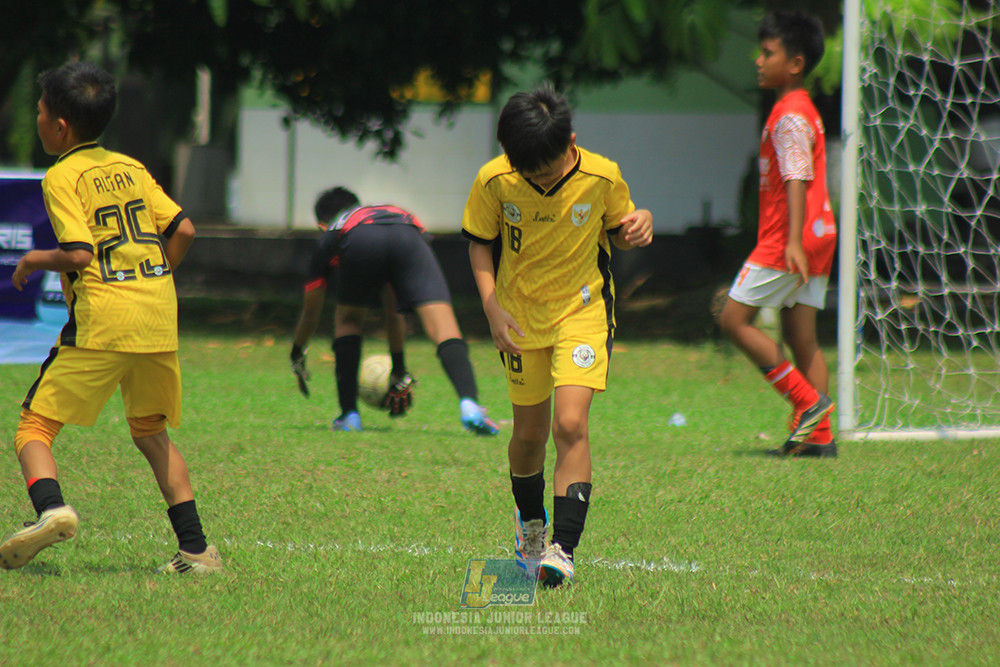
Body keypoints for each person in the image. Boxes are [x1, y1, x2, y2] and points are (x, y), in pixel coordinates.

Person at [3, 62, 221, 573]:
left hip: (104, 319)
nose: (36, 119)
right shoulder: (130, 166)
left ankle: (52, 509)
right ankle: (196, 550)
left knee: (33, 428)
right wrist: (151, 276)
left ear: (59, 126)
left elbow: (79, 255)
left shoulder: (61, 175)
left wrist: (35, 260)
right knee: (151, 434)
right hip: (157, 317)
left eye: (38, 112)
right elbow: (184, 229)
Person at [462, 86, 653, 587]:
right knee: (528, 435)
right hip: (520, 318)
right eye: (527, 171)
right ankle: (530, 529)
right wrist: (491, 306)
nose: (536, 178)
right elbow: (480, 246)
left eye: (544, 170)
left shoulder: (602, 175)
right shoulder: (494, 180)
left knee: (570, 423)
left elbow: (620, 225)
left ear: (571, 141)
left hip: (582, 311)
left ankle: (562, 550)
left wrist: (640, 223)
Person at [717, 10, 838, 458]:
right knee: (800, 335)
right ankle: (819, 438)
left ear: (795, 63)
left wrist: (789, 242)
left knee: (732, 319)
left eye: (768, 53)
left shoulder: (788, 115)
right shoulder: (804, 109)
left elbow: (796, 176)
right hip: (819, 234)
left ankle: (808, 403)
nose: (758, 60)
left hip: (789, 239)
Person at [291, 186, 499, 435]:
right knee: (443, 325)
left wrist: (297, 353)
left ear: (321, 225)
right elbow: (394, 308)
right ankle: (470, 405)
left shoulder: (335, 228)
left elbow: (310, 312)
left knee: (348, 319)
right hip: (409, 233)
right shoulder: (387, 213)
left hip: (360, 238)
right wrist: (399, 369)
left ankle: (349, 415)